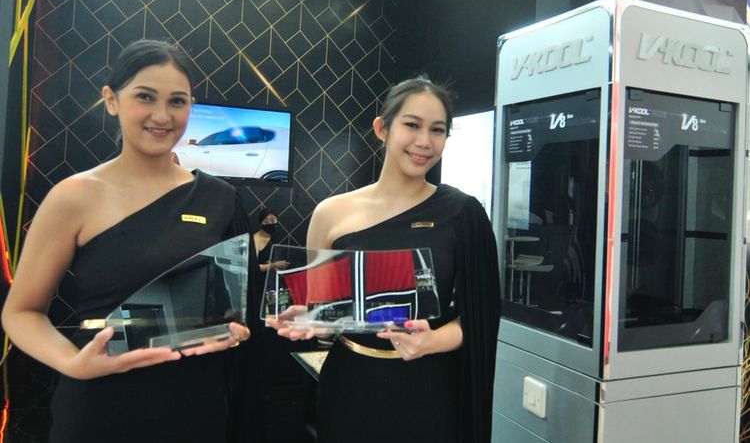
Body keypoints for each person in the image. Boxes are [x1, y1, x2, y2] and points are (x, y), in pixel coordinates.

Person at [1, 39, 262, 443]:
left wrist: (237, 329)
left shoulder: (220, 199)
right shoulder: (74, 197)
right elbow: (21, 313)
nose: (162, 115)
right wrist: (72, 363)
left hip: (194, 405)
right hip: (101, 404)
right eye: (145, 97)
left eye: (177, 102)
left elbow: (238, 308)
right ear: (111, 100)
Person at [269, 77, 501, 442]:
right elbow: (323, 310)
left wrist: (432, 340)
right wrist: (310, 317)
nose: (424, 141)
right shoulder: (331, 213)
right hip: (350, 385)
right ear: (382, 128)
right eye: (412, 125)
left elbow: (483, 316)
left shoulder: (462, 213)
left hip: (429, 391)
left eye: (437, 130)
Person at [253, 207, 289, 273]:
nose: (270, 223)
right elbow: (253, 267)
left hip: (269, 274)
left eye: (273, 221)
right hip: (257, 276)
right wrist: (274, 265)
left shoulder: (272, 235)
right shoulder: (256, 239)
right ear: (260, 223)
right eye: (266, 221)